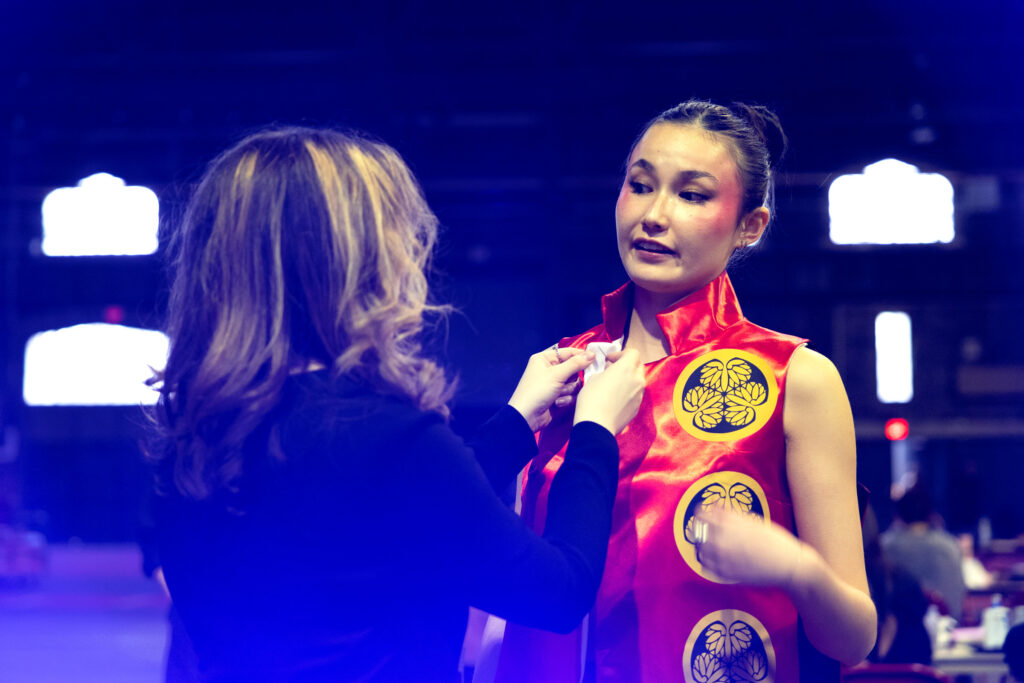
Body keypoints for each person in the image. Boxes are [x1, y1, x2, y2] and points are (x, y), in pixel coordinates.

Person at [149, 127, 646, 682]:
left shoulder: (191, 432)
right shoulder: (390, 438)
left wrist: (515, 422)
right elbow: (555, 593)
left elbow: (379, 531)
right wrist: (595, 434)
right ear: (351, 260)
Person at [495, 101, 876, 682]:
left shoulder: (796, 377)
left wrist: (797, 568)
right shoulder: (559, 373)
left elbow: (854, 639)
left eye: (692, 195)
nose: (653, 215)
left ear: (750, 226)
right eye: (640, 185)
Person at [882, 483, 966, 621]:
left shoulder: (885, 547)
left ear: (898, 515)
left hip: (901, 635)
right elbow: (958, 598)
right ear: (931, 515)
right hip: (947, 629)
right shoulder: (950, 546)